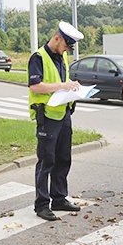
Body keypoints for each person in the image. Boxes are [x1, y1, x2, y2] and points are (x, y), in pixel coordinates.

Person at [28, 21, 85, 221]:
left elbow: (63, 83)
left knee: (63, 158)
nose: (67, 50)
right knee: (46, 161)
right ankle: (42, 204)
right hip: (47, 117)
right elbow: (35, 86)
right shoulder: (38, 57)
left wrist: (72, 87)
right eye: (66, 46)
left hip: (63, 114)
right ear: (57, 38)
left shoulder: (62, 56)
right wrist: (62, 85)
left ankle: (59, 198)